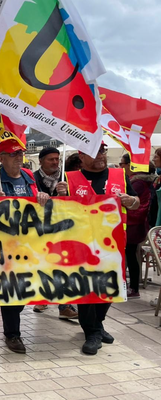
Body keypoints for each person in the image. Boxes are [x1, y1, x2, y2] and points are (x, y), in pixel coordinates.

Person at [57, 143, 139, 355]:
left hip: (113, 245)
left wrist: (131, 201)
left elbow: (136, 202)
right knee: (88, 290)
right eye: (95, 152)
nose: (101, 155)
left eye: (102, 151)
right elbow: (57, 212)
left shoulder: (119, 175)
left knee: (110, 288)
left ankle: (99, 323)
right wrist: (60, 195)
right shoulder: (70, 179)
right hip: (83, 246)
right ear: (82, 156)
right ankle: (91, 331)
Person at [0, 139, 51, 354]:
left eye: (20, 154)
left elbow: (40, 204)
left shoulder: (29, 177)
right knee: (11, 289)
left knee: (24, 289)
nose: (19, 158)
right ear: (1, 158)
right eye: (13, 154)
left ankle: (12, 327)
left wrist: (43, 197)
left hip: (29, 244)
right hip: (3, 246)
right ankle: (12, 334)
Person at [31, 147, 79, 319]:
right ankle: (42, 297)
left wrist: (64, 195)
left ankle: (65, 305)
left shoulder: (65, 177)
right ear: (41, 160)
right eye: (50, 159)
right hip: (40, 230)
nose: (55, 162)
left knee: (62, 265)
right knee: (43, 264)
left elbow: (76, 203)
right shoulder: (32, 178)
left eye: (57, 159)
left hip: (62, 229)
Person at [120, 154, 154, 299]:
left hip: (133, 224)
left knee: (131, 256)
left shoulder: (137, 183)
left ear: (130, 165)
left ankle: (133, 287)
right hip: (137, 224)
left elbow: (133, 204)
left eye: (122, 164)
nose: (121, 167)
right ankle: (131, 285)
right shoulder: (141, 181)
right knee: (132, 255)